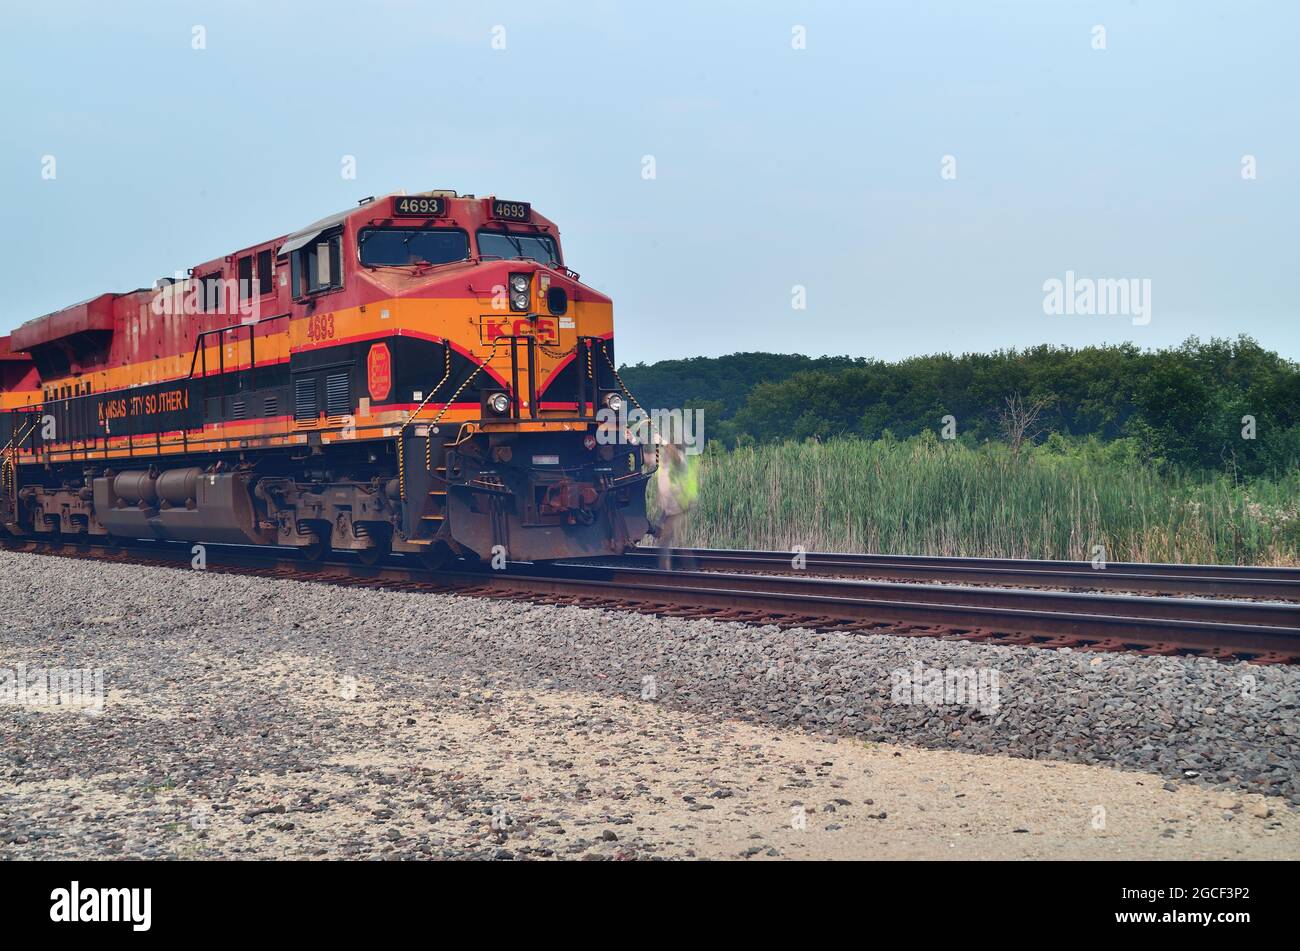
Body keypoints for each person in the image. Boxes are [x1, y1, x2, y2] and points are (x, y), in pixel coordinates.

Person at [655, 440, 698, 569]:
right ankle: (669, 572)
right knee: (668, 541)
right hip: (671, 508)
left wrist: (663, 442)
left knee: (674, 541)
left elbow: (675, 456)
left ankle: (682, 573)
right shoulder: (667, 463)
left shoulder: (679, 459)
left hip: (680, 506)